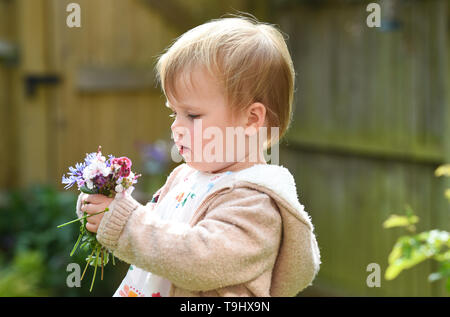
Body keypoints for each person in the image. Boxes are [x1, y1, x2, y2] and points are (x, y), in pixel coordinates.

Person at [76, 15, 321, 297]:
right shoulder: (186, 177)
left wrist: (125, 224)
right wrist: (104, 211)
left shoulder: (256, 201)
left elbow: (197, 260)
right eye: (174, 112)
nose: (175, 126)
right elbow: (153, 239)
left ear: (252, 119)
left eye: (192, 115)